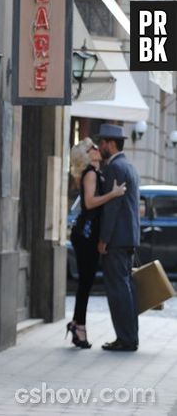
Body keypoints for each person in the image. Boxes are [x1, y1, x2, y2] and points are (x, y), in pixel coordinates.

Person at [67, 137, 126, 349]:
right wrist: (113, 193)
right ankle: (79, 327)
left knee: (86, 282)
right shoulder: (90, 174)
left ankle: (76, 324)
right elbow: (90, 203)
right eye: (93, 148)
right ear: (87, 155)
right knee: (85, 283)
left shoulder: (96, 172)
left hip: (87, 233)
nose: (97, 149)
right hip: (86, 234)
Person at [96, 124, 141, 352]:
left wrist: (104, 239)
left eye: (102, 142)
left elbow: (112, 208)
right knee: (126, 289)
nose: (100, 146)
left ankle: (125, 339)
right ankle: (129, 336)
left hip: (117, 240)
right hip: (128, 237)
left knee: (118, 290)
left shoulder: (115, 168)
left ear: (111, 144)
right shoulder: (129, 166)